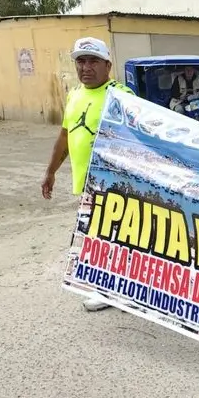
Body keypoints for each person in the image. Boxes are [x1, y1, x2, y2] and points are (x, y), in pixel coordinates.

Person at [41, 37, 134, 312]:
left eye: (93, 61)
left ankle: (111, 290)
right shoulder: (74, 95)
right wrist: (51, 171)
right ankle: (114, 288)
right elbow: (66, 135)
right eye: (81, 61)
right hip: (87, 184)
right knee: (101, 235)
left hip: (115, 183)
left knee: (111, 236)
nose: (86, 67)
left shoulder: (121, 95)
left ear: (108, 65)